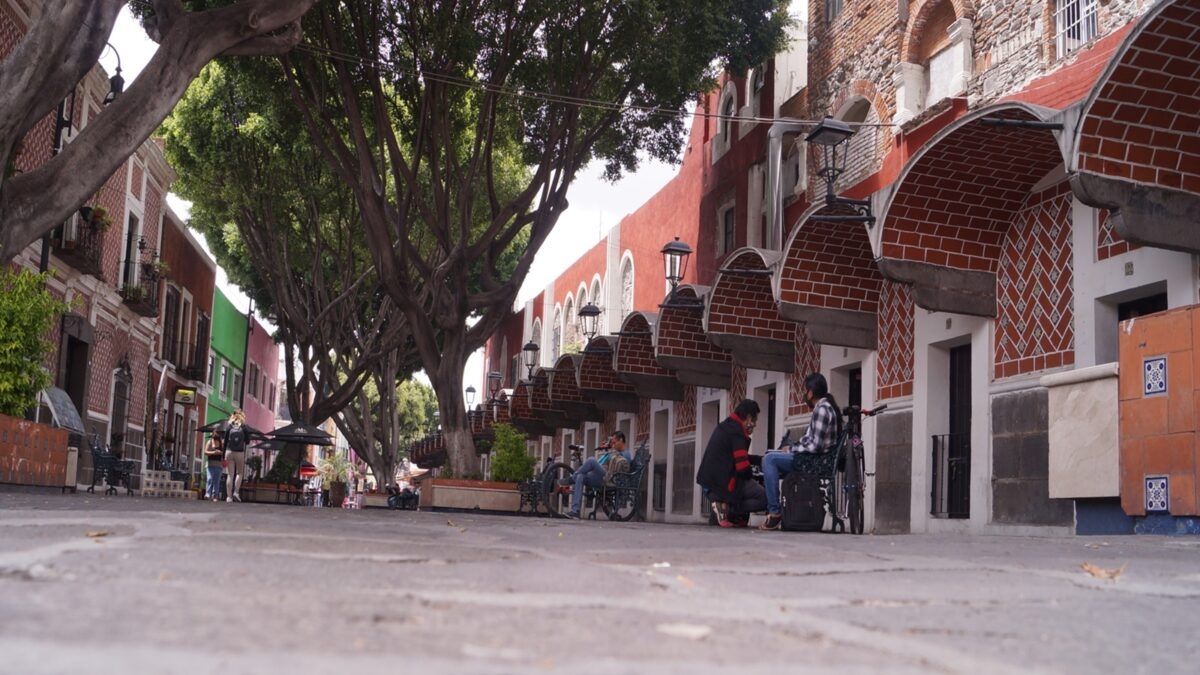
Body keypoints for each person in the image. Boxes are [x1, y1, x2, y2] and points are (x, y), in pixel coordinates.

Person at [759, 373, 842, 530]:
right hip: (812, 459)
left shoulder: (822, 410)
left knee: (769, 460)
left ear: (810, 392)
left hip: (813, 462)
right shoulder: (824, 408)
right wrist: (790, 449)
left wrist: (791, 449)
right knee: (771, 456)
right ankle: (784, 508)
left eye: (805, 391)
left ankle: (775, 512)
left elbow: (815, 446)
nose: (804, 395)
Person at [696, 399, 766, 528]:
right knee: (764, 498)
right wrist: (756, 475)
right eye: (755, 420)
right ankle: (727, 508)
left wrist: (759, 459)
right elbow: (743, 468)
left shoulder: (727, 426)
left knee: (746, 490)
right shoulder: (736, 432)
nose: (755, 424)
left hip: (710, 483)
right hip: (721, 484)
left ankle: (723, 508)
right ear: (749, 417)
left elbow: (735, 456)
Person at [565, 431, 632, 520]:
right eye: (612, 442)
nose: (613, 444)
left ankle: (571, 479)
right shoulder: (615, 452)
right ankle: (575, 511)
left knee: (592, 460)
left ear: (621, 440)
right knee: (580, 476)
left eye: (614, 442)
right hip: (604, 477)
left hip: (611, 478)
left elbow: (620, 470)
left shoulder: (626, 454)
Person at [223, 409, 249, 503]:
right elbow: (248, 441)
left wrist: (223, 456)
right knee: (239, 473)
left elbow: (225, 441)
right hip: (239, 452)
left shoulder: (229, 427)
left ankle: (229, 497)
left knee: (230, 474)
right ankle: (236, 492)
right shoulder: (244, 427)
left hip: (229, 452)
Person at [203, 434, 224, 502]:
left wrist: (221, 453)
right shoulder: (209, 442)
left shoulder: (222, 443)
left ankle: (215, 495)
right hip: (210, 464)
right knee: (209, 479)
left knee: (216, 481)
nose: (215, 441)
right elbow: (205, 452)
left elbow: (224, 453)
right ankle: (208, 494)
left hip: (219, 465)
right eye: (214, 439)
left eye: (216, 439)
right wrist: (213, 452)